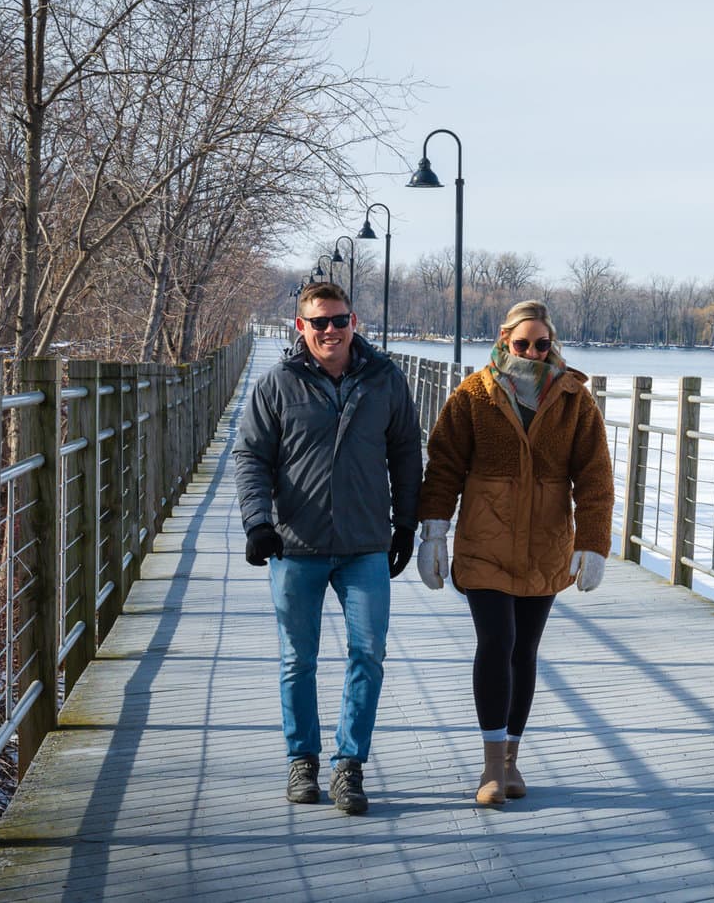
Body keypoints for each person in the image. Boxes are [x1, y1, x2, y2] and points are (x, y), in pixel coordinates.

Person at [232, 281, 423, 815]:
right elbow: (250, 457)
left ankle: (349, 765)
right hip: (297, 544)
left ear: (354, 321)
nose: (331, 331)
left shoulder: (385, 379)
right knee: (299, 658)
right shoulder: (278, 384)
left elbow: (407, 452)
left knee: (368, 653)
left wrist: (405, 525)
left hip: (365, 544)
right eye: (320, 322)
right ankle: (302, 759)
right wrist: (257, 524)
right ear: (301, 327)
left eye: (340, 320)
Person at [416, 298, 614, 806]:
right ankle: (489, 767)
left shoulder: (574, 400)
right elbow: (443, 465)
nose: (530, 350)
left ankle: (511, 759)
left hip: (546, 544)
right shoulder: (473, 395)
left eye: (540, 343)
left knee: (524, 650)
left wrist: (592, 543)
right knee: (496, 641)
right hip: (485, 540)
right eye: (521, 342)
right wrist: (433, 533)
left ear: (553, 345)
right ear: (504, 340)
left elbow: (594, 477)